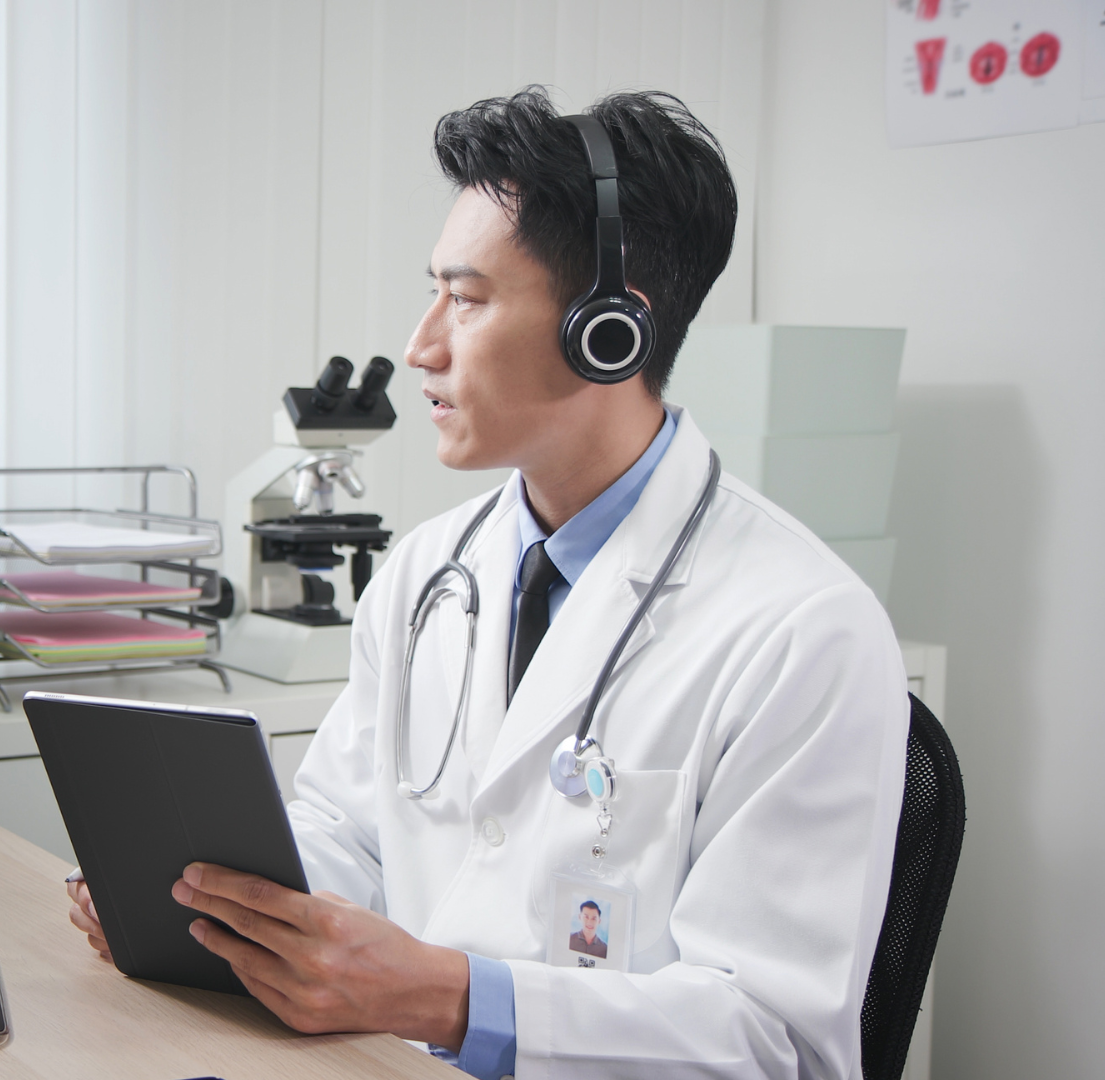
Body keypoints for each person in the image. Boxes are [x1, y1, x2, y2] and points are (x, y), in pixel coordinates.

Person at [68, 88, 906, 1079]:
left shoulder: (803, 631)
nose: (423, 345)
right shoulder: (427, 574)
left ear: (609, 333)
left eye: (464, 300)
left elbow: (779, 1043)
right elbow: (350, 835)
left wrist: (452, 998)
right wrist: (205, 912)